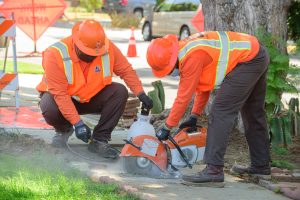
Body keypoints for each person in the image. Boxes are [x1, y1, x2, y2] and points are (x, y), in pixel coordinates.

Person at [146, 32, 270, 186]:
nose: (172, 73)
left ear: (172, 62)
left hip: (249, 60)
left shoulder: (191, 57)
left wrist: (167, 127)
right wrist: (194, 115)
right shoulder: (187, 49)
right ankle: (261, 165)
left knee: (220, 112)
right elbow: (203, 86)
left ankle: (214, 170)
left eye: (169, 70)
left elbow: (183, 98)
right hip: (256, 53)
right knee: (252, 112)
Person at [36, 20, 153, 160]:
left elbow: (126, 70)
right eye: (88, 53)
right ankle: (63, 131)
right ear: (77, 43)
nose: (93, 56)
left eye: (95, 53)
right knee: (48, 105)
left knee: (119, 91)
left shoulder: (106, 47)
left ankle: (99, 141)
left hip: (91, 98)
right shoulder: (55, 54)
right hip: (63, 100)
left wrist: (140, 93)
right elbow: (60, 94)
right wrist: (78, 124)